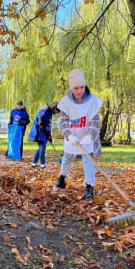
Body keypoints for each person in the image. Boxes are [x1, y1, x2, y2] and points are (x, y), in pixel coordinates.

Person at [54, 69, 103, 200]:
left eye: (81, 87)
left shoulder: (92, 101)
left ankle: (89, 185)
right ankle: (62, 177)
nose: (79, 91)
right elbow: (63, 121)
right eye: (76, 88)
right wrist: (69, 135)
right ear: (72, 87)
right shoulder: (65, 102)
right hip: (72, 137)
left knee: (88, 160)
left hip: (86, 136)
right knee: (67, 158)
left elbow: (95, 120)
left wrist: (89, 135)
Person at [28, 102, 60, 168]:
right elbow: (40, 123)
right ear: (54, 108)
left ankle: (34, 163)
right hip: (38, 132)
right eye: (57, 111)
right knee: (43, 147)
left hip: (43, 133)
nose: (57, 113)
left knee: (40, 148)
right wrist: (46, 134)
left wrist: (49, 136)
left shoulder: (49, 113)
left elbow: (48, 126)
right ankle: (43, 164)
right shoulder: (44, 111)